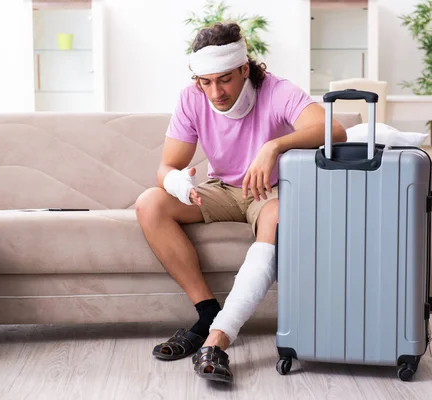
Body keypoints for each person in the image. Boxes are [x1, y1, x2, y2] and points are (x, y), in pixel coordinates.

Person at [135, 22, 346, 383]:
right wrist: (179, 184)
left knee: (278, 215)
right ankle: (206, 313)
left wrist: (274, 146)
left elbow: (334, 131)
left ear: (244, 69)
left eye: (225, 80)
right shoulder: (192, 98)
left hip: (268, 191)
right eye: (206, 82)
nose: (215, 92)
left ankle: (217, 340)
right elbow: (166, 166)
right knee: (149, 203)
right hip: (220, 188)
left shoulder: (277, 91)